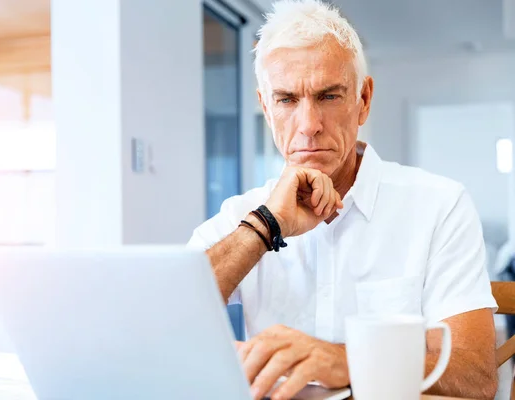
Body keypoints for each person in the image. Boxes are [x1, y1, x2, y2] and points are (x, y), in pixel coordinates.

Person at [188, 1, 499, 399]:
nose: (308, 126)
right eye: (286, 100)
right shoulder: (240, 215)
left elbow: (475, 375)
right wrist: (265, 226)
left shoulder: (439, 205)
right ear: (266, 107)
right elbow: (160, 323)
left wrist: (344, 362)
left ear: (363, 101)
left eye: (329, 96)